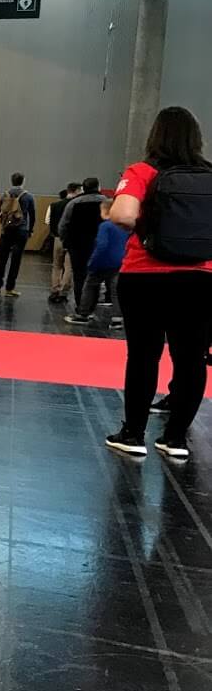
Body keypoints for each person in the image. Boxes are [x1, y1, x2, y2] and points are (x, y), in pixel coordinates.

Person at [104, 105, 212, 458]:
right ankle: (175, 440)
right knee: (192, 359)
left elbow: (122, 214)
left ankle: (133, 434)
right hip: (200, 278)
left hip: (145, 276)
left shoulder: (143, 171)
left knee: (144, 356)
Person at [64, 199, 127, 328]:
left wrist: (92, 261)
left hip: (102, 262)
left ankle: (83, 313)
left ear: (106, 211)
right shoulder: (123, 226)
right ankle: (117, 319)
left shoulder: (105, 226)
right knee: (115, 290)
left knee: (90, 286)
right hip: (119, 261)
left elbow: (101, 245)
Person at [59, 176, 105, 305]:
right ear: (98, 187)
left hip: (77, 245)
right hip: (99, 245)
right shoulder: (106, 202)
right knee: (96, 276)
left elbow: (63, 225)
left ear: (83, 188)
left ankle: (80, 305)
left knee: (78, 276)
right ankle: (92, 304)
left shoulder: (74, 203)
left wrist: (66, 241)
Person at [0, 172, 35, 297]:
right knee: (16, 260)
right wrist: (30, 230)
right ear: (23, 181)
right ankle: (10, 288)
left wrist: (4, 224)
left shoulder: (5, 195)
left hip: (7, 230)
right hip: (21, 230)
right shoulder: (28, 196)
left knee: (2, 259)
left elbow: (0, 211)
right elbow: (32, 214)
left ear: (12, 181)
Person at [47, 182, 81, 303]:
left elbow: (50, 223)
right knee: (68, 267)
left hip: (58, 238)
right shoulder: (77, 206)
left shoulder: (54, 205)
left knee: (56, 265)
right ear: (77, 191)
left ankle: (54, 289)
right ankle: (63, 292)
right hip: (72, 239)